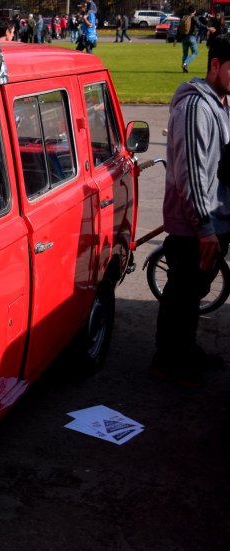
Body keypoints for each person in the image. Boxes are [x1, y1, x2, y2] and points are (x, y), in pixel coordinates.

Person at [152, 34, 230, 388]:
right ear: (215, 64)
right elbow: (191, 173)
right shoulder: (195, 107)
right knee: (182, 294)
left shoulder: (220, 102)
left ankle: (185, 350)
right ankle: (168, 360)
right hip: (195, 226)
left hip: (214, 219)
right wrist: (205, 226)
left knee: (194, 291)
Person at [179, 6, 199, 73]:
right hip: (191, 37)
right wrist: (207, 28)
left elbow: (179, 28)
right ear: (194, 11)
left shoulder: (184, 17)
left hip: (183, 38)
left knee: (185, 54)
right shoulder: (194, 18)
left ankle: (184, 69)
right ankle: (185, 63)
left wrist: (176, 38)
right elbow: (199, 25)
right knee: (195, 52)